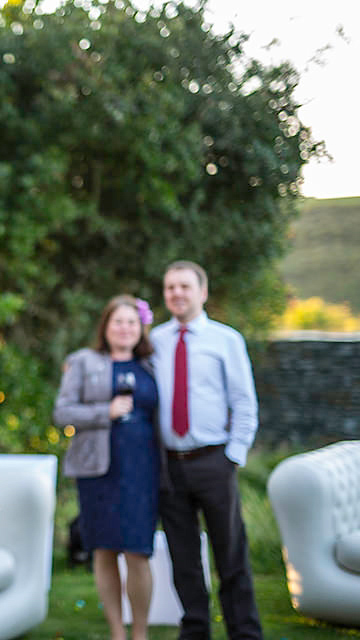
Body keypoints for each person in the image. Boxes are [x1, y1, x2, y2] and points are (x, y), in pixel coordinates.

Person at [150, 261, 262, 640]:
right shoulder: (156, 341)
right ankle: (195, 630)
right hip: (170, 465)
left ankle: (244, 632)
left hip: (214, 460)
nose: (176, 294)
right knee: (184, 558)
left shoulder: (225, 339)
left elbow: (244, 402)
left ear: (203, 291)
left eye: (184, 286)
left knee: (231, 554)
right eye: (170, 288)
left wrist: (233, 456)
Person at [53, 294, 162, 640]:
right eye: (118, 321)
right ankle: (117, 632)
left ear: (140, 328)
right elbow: (63, 413)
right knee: (104, 550)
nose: (125, 328)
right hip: (98, 473)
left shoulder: (153, 364)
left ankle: (140, 632)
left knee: (138, 552)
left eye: (132, 322)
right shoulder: (83, 362)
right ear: (106, 326)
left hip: (143, 472)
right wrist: (106, 412)